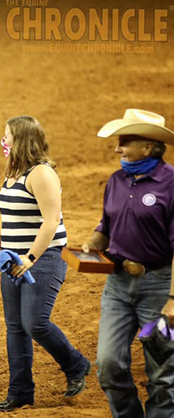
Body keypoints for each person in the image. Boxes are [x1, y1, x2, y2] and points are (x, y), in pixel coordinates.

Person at [0, 116, 91, 412]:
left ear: (21, 139)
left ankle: (76, 364)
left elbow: (51, 222)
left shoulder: (42, 174)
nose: (3, 141)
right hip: (14, 259)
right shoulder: (13, 172)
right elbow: (12, 214)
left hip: (43, 257)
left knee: (34, 323)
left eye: (7, 136)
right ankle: (20, 391)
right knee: (15, 328)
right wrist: (4, 245)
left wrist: (30, 258)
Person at [82, 109, 174, 417]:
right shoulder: (116, 180)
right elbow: (106, 226)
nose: (117, 148)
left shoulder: (170, 183)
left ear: (148, 147)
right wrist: (94, 243)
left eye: (124, 142)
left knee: (162, 370)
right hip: (118, 286)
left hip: (158, 287)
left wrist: (173, 299)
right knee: (108, 364)